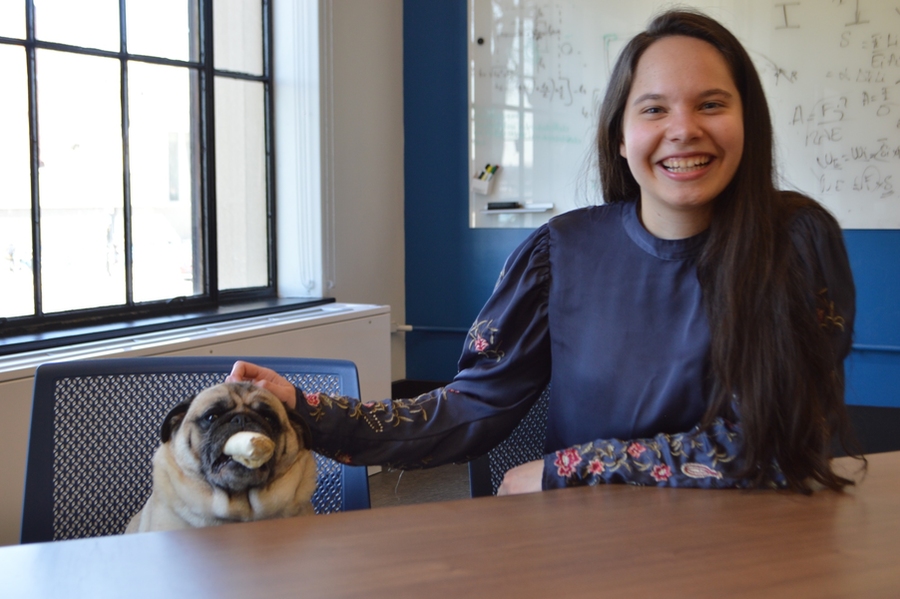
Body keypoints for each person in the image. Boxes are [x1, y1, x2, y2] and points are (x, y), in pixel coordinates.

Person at [228, 9, 861, 495]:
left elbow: (768, 448)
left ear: (748, 122)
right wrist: (308, 411)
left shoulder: (797, 242)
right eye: (654, 109)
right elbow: (470, 407)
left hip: (757, 547)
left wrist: (565, 469)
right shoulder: (560, 253)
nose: (684, 129)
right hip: (592, 547)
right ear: (620, 135)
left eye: (712, 104)